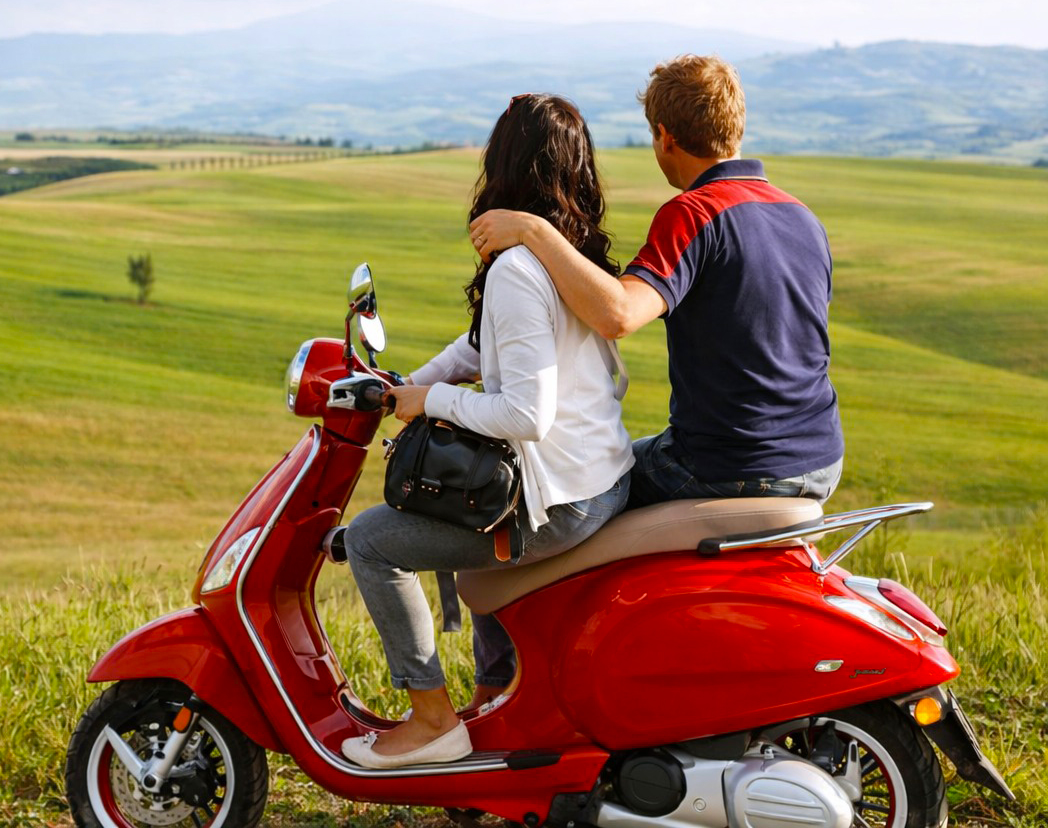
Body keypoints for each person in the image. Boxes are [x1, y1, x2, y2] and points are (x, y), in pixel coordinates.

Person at [342, 94, 633, 769]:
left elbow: (527, 415)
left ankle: (433, 721)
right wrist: (408, 385)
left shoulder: (517, 269)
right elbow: (485, 346)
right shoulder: (567, 254)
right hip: (599, 477)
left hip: (562, 501)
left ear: (501, 167)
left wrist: (432, 401)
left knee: (371, 540)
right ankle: (497, 705)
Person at [469, 55, 843, 511]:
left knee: (593, 486)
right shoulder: (802, 217)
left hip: (727, 466)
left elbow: (617, 314)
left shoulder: (695, 213)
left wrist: (533, 230)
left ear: (665, 137)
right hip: (822, 460)